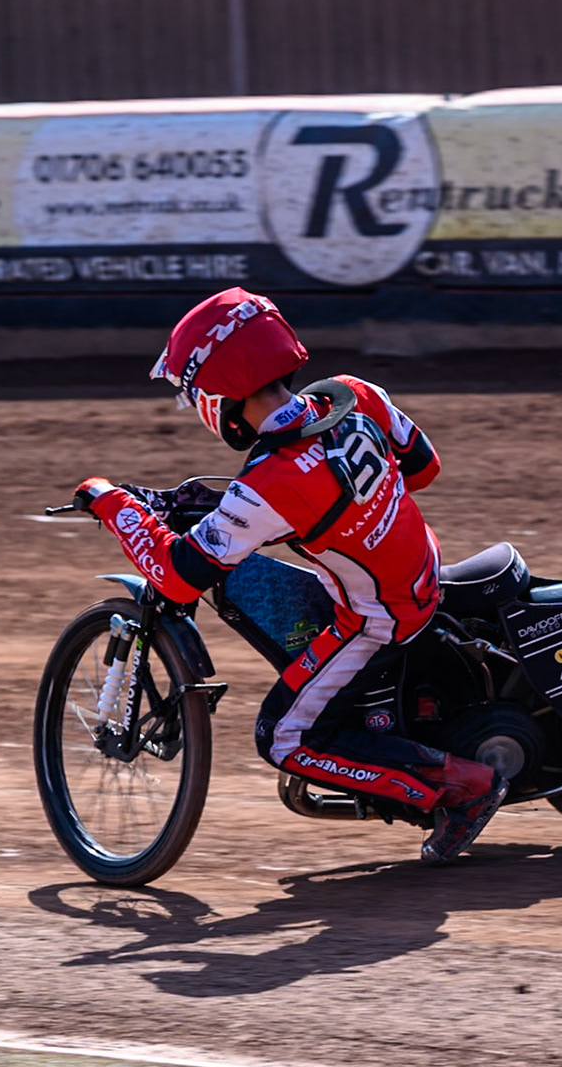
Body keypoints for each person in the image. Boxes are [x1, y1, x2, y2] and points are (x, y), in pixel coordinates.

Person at [72, 288, 507, 865]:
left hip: (377, 619)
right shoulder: (354, 393)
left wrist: (112, 503)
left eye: (193, 393)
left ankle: (462, 789)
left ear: (220, 392)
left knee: (281, 737)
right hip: (417, 566)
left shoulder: (271, 482)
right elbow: (423, 469)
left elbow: (178, 578)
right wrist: (345, 510)